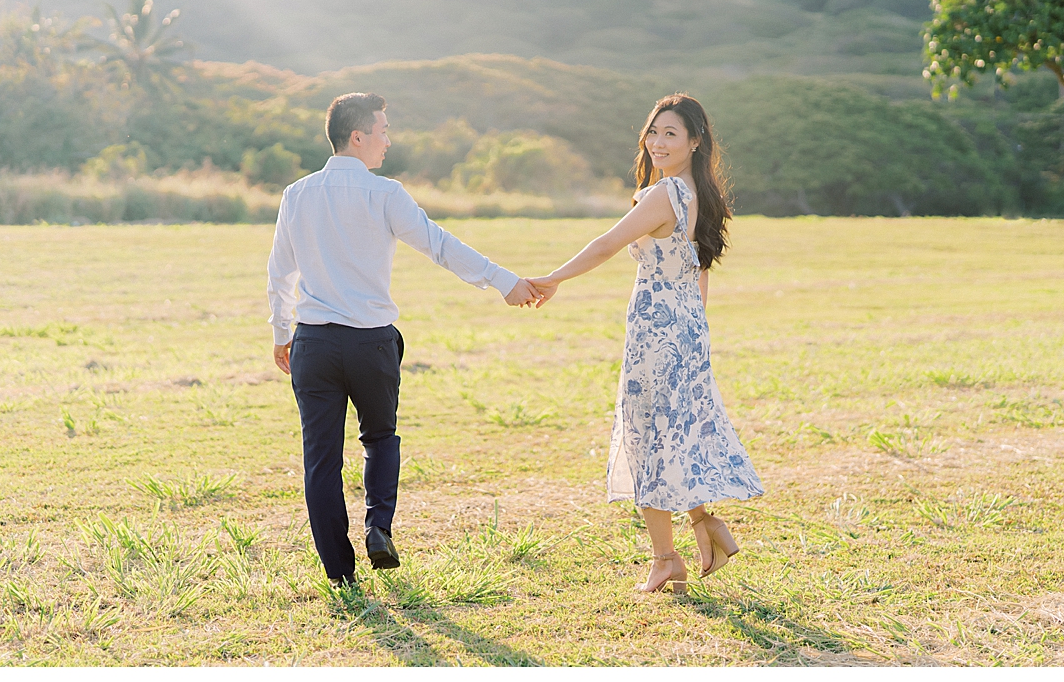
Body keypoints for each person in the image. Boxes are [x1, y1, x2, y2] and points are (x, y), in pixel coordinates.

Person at [268, 92, 541, 587]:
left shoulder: (297, 194)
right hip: (371, 344)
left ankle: (339, 572)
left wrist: (282, 333)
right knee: (380, 438)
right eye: (383, 131)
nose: (388, 141)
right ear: (358, 136)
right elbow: (439, 245)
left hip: (314, 344)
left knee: (321, 458)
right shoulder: (386, 194)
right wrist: (504, 282)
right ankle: (378, 526)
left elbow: (280, 272)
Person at [530, 93, 762, 594]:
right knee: (673, 429)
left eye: (671, 134)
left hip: (657, 327)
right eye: (653, 132)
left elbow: (606, 244)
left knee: (646, 436)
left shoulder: (663, 196)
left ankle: (665, 559)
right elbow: (701, 269)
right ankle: (705, 525)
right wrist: (695, 328)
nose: (657, 142)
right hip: (685, 324)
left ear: (695, 142)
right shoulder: (700, 194)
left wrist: (553, 278)